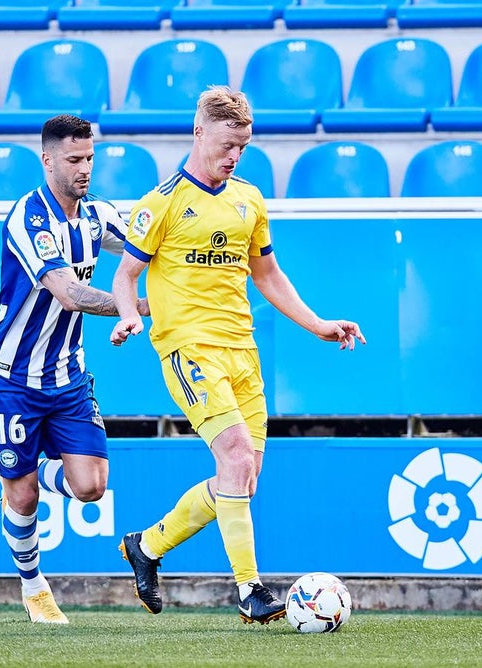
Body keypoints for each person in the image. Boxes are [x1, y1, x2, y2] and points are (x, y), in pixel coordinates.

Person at [108, 86, 365, 625]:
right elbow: (125, 275)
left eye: (243, 148)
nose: (234, 157)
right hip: (188, 348)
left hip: (242, 353)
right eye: (228, 145)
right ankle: (249, 591)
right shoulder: (162, 202)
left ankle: (147, 547)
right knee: (236, 459)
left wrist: (318, 324)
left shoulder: (249, 199)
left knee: (242, 479)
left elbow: (267, 273)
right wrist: (130, 314)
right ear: (199, 131)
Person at [0, 114, 149, 624]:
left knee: (93, 486)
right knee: (24, 496)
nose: (85, 169)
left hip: (67, 375)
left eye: (90, 158)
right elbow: (67, 292)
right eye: (74, 160)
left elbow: (147, 245)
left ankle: (15, 466)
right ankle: (34, 588)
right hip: (11, 375)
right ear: (48, 159)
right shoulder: (29, 219)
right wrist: (136, 308)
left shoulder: (97, 215)